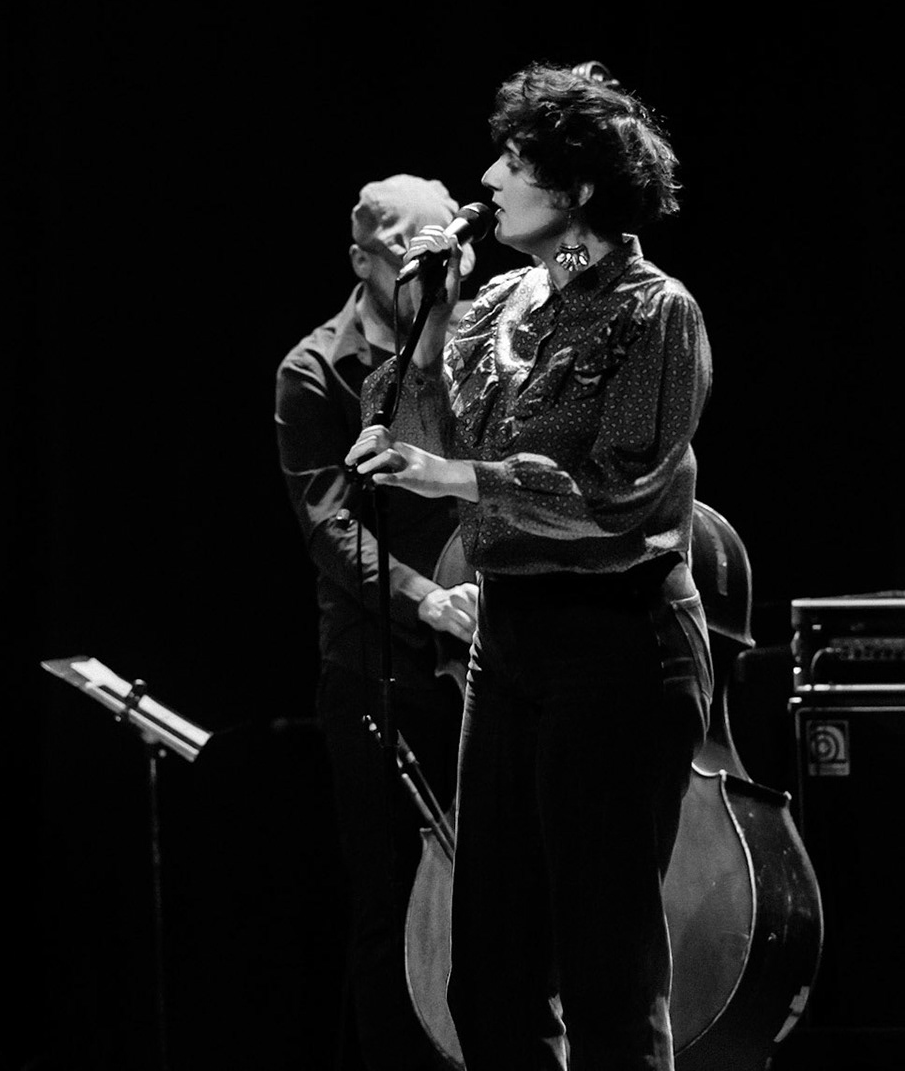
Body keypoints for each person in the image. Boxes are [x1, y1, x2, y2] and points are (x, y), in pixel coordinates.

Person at [346, 63, 713, 1069]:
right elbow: (424, 411)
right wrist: (427, 310)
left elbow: (616, 492)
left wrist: (455, 477)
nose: (488, 177)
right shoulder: (499, 299)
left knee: (604, 963)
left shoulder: (653, 311)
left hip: (619, 638)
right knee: (491, 969)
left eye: (515, 160)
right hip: (512, 639)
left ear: (580, 189)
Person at [274, 173, 478, 1070]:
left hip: (492, 658)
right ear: (362, 259)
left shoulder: (480, 342)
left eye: (446, 249)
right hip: (380, 668)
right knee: (391, 902)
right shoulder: (314, 367)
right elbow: (327, 522)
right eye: (408, 252)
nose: (430, 267)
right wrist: (426, 599)